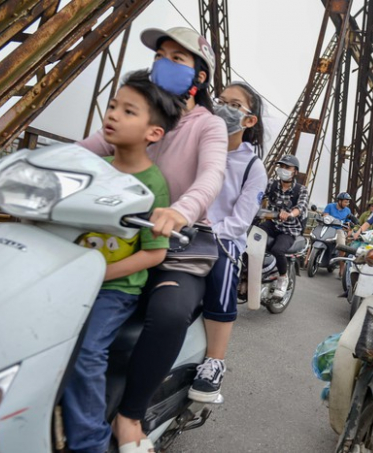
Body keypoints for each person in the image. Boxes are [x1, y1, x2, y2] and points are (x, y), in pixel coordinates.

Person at [78, 27, 227, 451]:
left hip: (180, 239)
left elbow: (211, 176)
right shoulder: (137, 114)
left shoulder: (209, 125)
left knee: (168, 312)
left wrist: (180, 210)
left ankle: (129, 416)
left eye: (177, 59)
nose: (163, 63)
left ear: (200, 76)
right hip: (120, 232)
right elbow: (81, 150)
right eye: (160, 55)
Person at [62, 70, 183, 453]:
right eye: (112, 106)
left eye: (128, 111)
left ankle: (89, 443)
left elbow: (154, 252)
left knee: (85, 353)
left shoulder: (153, 184)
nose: (112, 115)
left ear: (153, 133)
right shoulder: (93, 168)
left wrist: (99, 273)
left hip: (113, 288)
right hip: (71, 276)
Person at [187, 82, 268, 403]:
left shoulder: (252, 166)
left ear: (249, 121)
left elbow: (240, 221)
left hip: (221, 238)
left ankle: (215, 361)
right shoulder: (199, 146)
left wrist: (207, 232)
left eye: (233, 105)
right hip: (183, 227)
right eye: (220, 100)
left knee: (223, 267)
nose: (222, 107)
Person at [259, 154, 309, 298]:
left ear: (295, 171)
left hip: (289, 228)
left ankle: (283, 277)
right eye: (281, 166)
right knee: (251, 239)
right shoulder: (272, 184)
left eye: (287, 167)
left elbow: (301, 207)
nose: (283, 169)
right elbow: (259, 195)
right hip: (272, 223)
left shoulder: (301, 190)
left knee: (278, 249)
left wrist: (290, 214)